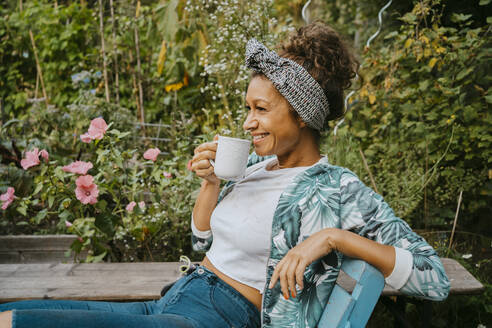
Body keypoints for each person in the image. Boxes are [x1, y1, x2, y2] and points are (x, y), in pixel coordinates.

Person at [0, 21, 450, 328]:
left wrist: (332, 238)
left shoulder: (340, 190)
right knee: (12, 310)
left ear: (303, 116)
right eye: (247, 109)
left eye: (261, 110)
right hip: (176, 298)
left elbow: (434, 278)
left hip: (217, 318)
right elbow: (199, 244)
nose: (248, 122)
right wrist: (211, 184)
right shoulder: (255, 169)